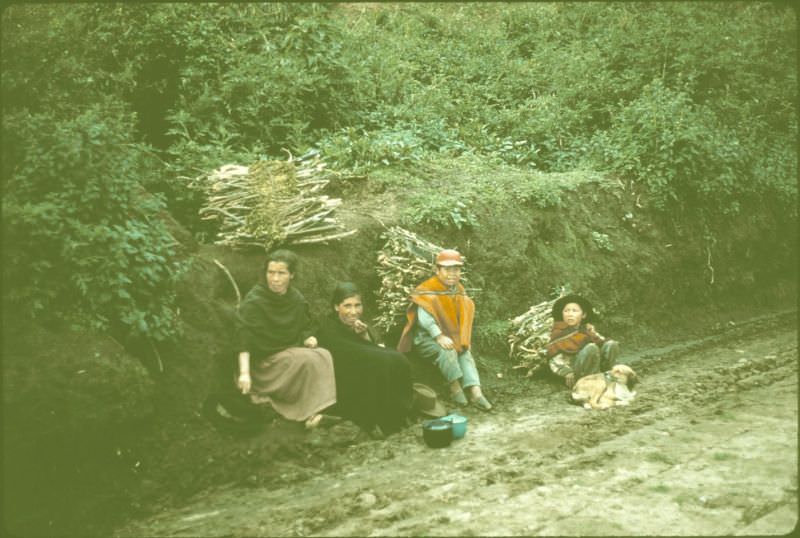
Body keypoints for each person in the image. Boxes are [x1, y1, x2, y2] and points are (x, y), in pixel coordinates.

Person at [235, 249, 337, 429]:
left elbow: (306, 324)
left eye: (281, 273)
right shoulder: (255, 300)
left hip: (286, 354)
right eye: (271, 272)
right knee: (307, 359)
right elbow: (243, 336)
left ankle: (318, 410)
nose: (275, 279)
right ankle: (306, 413)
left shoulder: (295, 298)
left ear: (292, 275)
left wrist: (308, 337)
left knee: (323, 354)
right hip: (262, 365)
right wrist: (244, 373)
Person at [397, 249, 492, 411]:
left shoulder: (458, 290)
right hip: (428, 340)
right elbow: (425, 319)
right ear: (437, 270)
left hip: (451, 336)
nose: (452, 274)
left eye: (456, 269)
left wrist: (462, 338)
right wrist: (439, 336)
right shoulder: (427, 290)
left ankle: (476, 391)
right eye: (447, 269)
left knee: (464, 350)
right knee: (448, 350)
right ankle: (454, 387)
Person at [316, 282, 414, 437]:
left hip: (361, 360)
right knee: (384, 362)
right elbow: (347, 352)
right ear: (336, 307)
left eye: (357, 305)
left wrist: (363, 336)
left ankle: (401, 414)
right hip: (345, 375)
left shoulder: (358, 326)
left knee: (398, 358)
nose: (353, 312)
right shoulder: (328, 328)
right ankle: (383, 420)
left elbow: (369, 347)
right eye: (347, 306)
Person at [546, 294, 621, 388]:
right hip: (575, 371)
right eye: (566, 311)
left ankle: (609, 376)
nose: (570, 314)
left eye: (575, 311)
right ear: (562, 314)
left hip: (594, 365)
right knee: (591, 348)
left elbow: (602, 342)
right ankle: (591, 382)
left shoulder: (586, 330)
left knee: (611, 344)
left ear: (583, 315)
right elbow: (554, 358)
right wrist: (566, 372)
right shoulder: (558, 332)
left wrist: (610, 345)